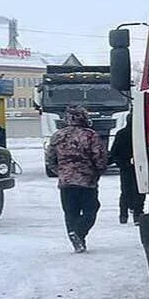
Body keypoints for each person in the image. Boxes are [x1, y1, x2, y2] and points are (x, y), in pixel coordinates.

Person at [45, 105, 108, 252]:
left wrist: (61, 172)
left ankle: (77, 240)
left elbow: (50, 159)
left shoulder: (57, 135)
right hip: (87, 181)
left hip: (66, 182)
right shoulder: (90, 135)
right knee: (91, 210)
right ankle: (80, 233)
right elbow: (99, 157)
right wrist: (98, 171)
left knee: (70, 212)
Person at [109, 113, 145, 225]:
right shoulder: (141, 134)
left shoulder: (121, 134)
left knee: (125, 191)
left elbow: (114, 152)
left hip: (125, 167)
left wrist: (118, 163)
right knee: (139, 191)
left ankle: (123, 215)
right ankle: (138, 215)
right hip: (140, 166)